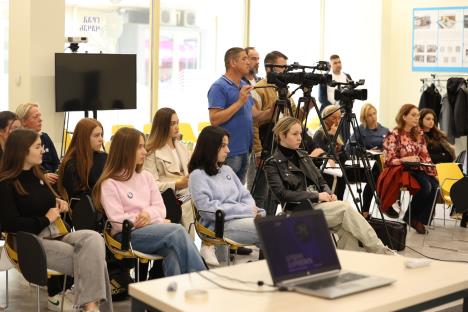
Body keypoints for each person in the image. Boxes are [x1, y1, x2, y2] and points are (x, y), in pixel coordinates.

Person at [0, 128, 113, 312]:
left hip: (56, 233)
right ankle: (92, 307)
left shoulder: (37, 176)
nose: (43, 150)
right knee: (95, 260)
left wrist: (57, 202)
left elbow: (38, 201)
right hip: (30, 243)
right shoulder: (6, 184)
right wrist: (45, 219)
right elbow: (10, 224)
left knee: (95, 239)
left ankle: (89, 306)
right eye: (38, 147)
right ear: (22, 151)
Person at [263, 117, 394, 254]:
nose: (300, 138)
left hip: (318, 205)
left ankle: (351, 264)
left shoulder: (302, 155)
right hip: (298, 210)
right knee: (345, 208)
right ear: (282, 135)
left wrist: (329, 193)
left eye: (300, 133)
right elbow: (282, 195)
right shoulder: (272, 163)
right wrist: (317, 196)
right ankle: (381, 250)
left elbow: (320, 180)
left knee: (346, 229)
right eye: (294, 134)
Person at [93, 127, 206, 276]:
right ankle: (203, 278)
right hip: (126, 235)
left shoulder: (146, 176)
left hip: (150, 230)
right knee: (177, 230)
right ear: (125, 151)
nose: (145, 152)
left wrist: (148, 215)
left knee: (173, 252)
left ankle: (175, 296)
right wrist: (150, 219)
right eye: (139, 147)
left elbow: (161, 208)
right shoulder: (109, 183)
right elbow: (117, 222)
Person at [246, 50, 322, 215]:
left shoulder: (285, 91)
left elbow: (293, 119)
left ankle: (273, 225)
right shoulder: (259, 90)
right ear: (270, 68)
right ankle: (260, 230)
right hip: (266, 147)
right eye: (283, 67)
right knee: (260, 194)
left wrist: (306, 108)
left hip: (282, 148)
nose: (286, 71)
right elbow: (254, 123)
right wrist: (258, 152)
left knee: (275, 194)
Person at [188, 126, 266, 263]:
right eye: (223, 146)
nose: (228, 150)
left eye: (227, 145)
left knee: (276, 229)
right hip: (219, 225)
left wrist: (251, 211)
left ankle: (269, 271)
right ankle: (273, 273)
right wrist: (246, 211)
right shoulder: (197, 176)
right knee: (270, 231)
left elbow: (245, 196)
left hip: (239, 219)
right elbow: (209, 211)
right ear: (211, 147)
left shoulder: (227, 170)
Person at [207, 47, 274, 184]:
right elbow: (214, 119)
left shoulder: (244, 85)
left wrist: (272, 110)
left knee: (238, 195)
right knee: (226, 195)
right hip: (228, 152)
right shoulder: (219, 87)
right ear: (232, 62)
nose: (248, 62)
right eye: (244, 59)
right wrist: (240, 102)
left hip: (246, 151)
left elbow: (255, 115)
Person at [383, 104, 438, 234]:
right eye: (413, 115)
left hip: (417, 168)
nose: (416, 118)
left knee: (434, 185)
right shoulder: (393, 134)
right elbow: (388, 159)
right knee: (426, 187)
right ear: (404, 116)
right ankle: (411, 217)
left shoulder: (418, 134)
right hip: (402, 169)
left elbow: (425, 156)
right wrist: (404, 159)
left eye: (418, 115)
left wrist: (434, 173)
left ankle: (418, 218)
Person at [143, 108, 195, 235]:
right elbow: (151, 185)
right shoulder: (151, 152)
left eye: (177, 123)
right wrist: (176, 184)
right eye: (172, 124)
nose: (177, 127)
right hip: (167, 200)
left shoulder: (182, 147)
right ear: (162, 126)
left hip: (188, 196)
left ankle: (206, 246)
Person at [347, 103, 390, 218]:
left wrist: (384, 150)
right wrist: (365, 151)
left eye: (374, 113)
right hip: (364, 165)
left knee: (376, 176)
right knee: (375, 176)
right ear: (364, 117)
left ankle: (365, 211)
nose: (373, 117)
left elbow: (391, 148)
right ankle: (385, 204)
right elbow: (349, 148)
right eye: (369, 115)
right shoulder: (359, 130)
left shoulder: (385, 130)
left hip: (381, 164)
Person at [58, 118, 106, 201]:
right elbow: (78, 197)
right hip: (87, 208)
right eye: (96, 135)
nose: (101, 139)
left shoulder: (105, 157)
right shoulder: (71, 164)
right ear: (84, 138)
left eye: (101, 135)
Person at [16, 102, 60, 185]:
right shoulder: (18, 143)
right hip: (35, 183)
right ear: (23, 121)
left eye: (40, 116)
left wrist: (57, 175)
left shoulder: (45, 137)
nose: (40, 119)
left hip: (53, 184)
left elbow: (56, 163)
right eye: (35, 117)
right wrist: (42, 177)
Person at [313, 104, 347, 199]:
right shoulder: (319, 134)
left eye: (339, 118)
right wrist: (333, 137)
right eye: (333, 118)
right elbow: (323, 155)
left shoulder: (336, 132)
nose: (336, 121)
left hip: (339, 168)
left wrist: (338, 141)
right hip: (326, 170)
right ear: (325, 118)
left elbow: (345, 156)